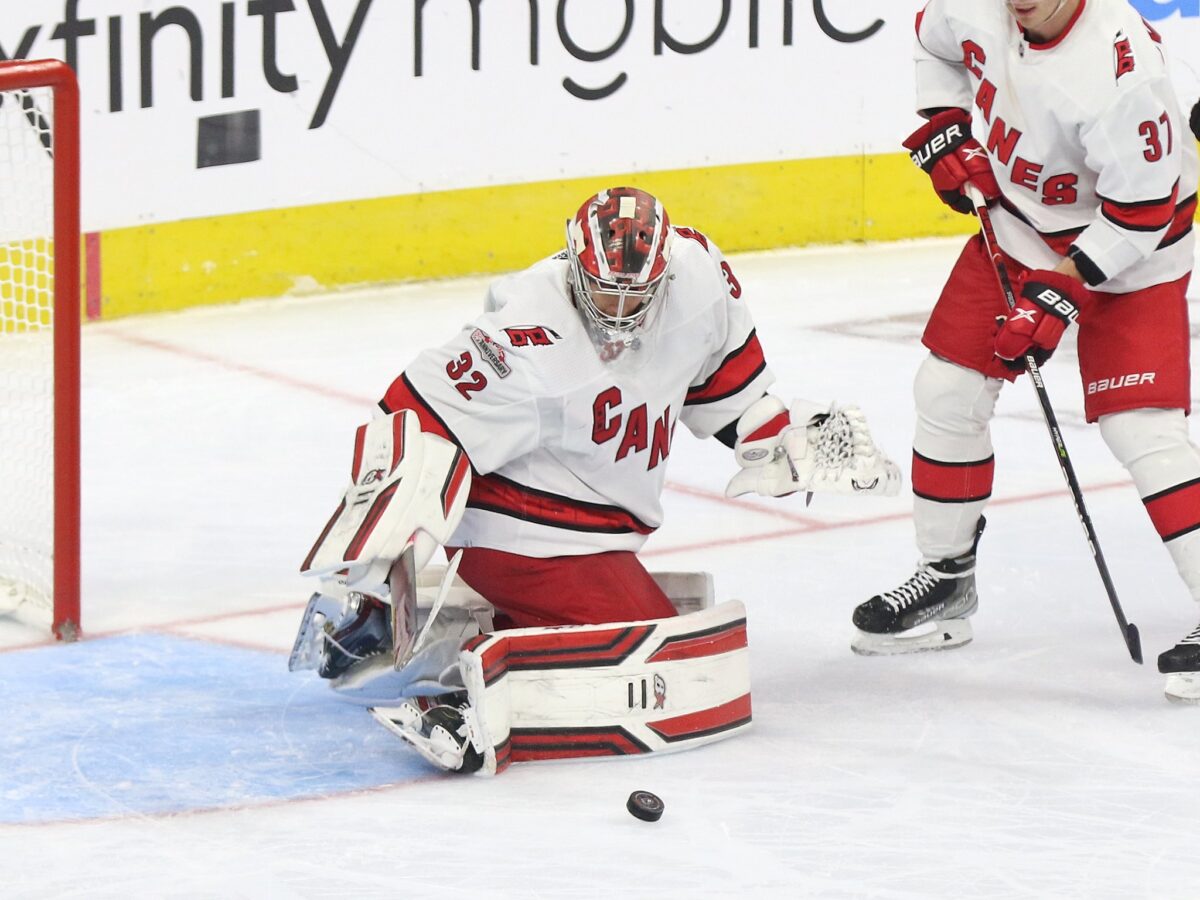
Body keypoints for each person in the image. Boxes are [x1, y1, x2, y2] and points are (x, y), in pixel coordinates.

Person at [291, 186, 901, 772]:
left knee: (669, 649)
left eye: (634, 297)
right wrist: (385, 545)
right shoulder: (528, 335)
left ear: (663, 276)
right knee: (666, 667)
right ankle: (461, 709)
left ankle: (422, 636)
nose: (618, 314)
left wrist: (778, 444)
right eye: (602, 293)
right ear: (573, 267)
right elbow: (409, 413)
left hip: (596, 529)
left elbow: (722, 383)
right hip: (516, 530)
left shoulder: (699, 280)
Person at [852, 0, 1200, 703]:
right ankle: (946, 579)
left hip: (1135, 255)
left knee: (1143, 430)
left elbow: (1142, 213)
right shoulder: (972, 6)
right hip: (1019, 229)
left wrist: (1059, 293)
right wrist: (945, 127)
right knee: (947, 390)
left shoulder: (1120, 70)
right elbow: (932, 44)